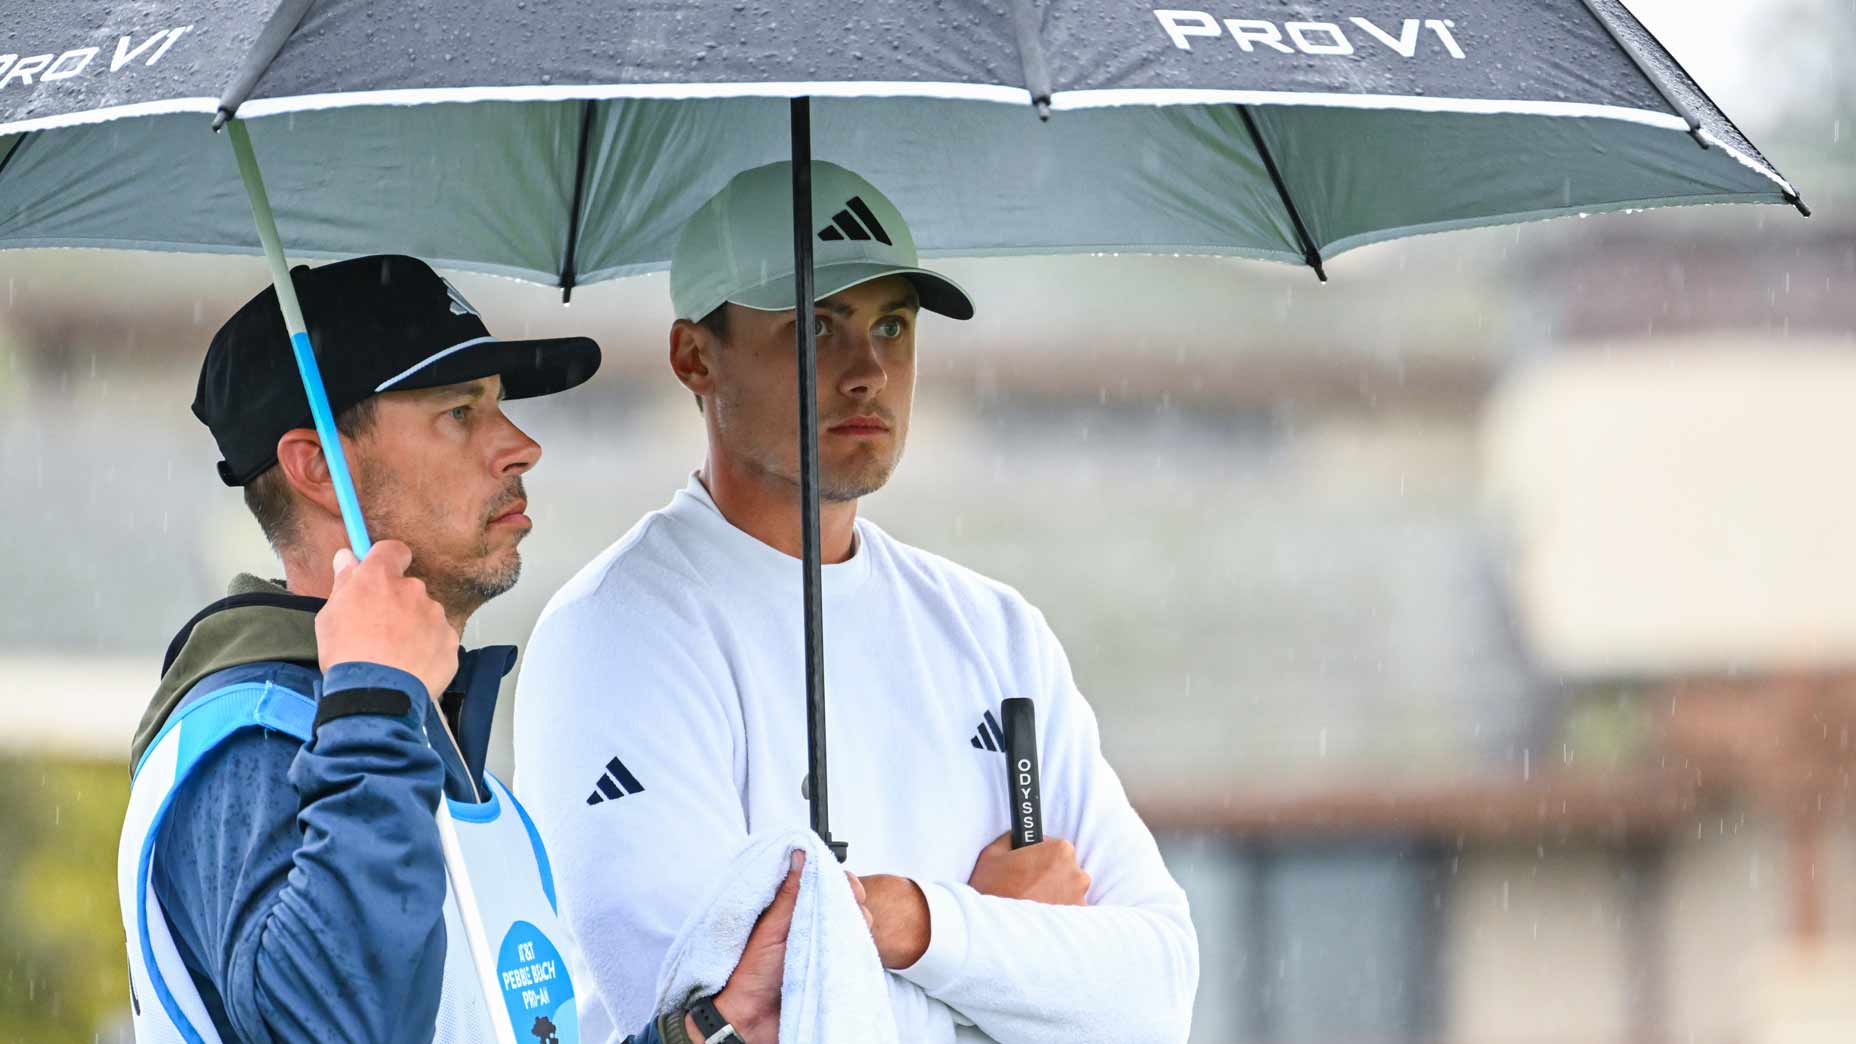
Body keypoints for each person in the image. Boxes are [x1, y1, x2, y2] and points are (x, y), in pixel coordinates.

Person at [514, 163, 1200, 1043]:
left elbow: (1155, 998)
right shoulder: (613, 634)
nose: (868, 370)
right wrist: (1012, 960)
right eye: (814, 326)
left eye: (891, 325)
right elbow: (722, 1025)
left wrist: (911, 922)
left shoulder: (996, 631)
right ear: (694, 357)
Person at [117, 255, 812, 1044]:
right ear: (318, 467)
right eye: (459, 412)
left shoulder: (442, 763)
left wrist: (711, 1032)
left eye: (498, 406)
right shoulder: (251, 738)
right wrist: (374, 693)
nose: (521, 447)